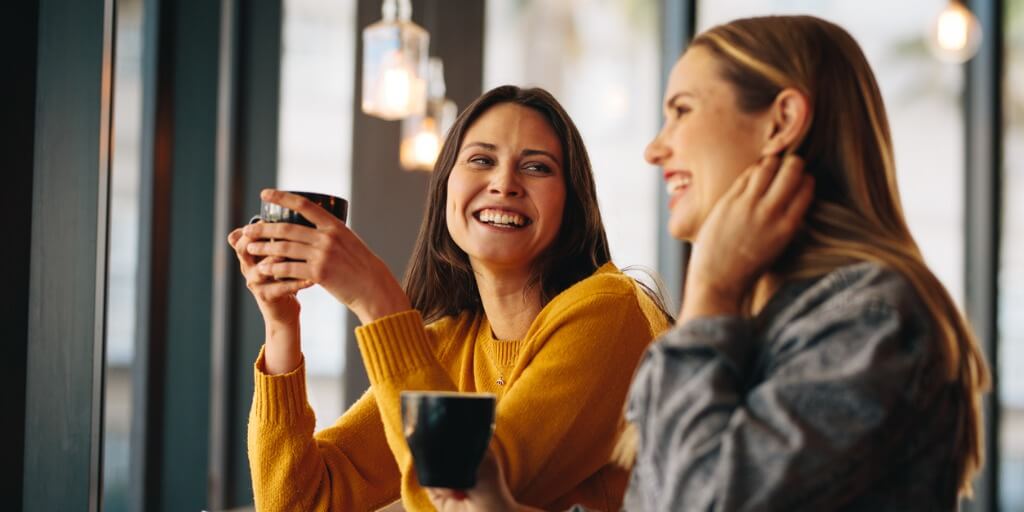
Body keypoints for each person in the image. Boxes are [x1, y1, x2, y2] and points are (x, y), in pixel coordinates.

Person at [426, 15, 990, 511]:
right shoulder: (773, 319)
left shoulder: (869, 318)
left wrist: (711, 292)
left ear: (781, 121)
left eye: (682, 112)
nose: (655, 148)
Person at [227, 85, 671, 511]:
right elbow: (299, 503)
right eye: (481, 159)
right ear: (444, 192)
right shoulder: (450, 346)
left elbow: (470, 496)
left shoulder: (608, 311)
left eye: (536, 167)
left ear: (572, 205)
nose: (504, 183)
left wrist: (378, 300)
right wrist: (282, 324)